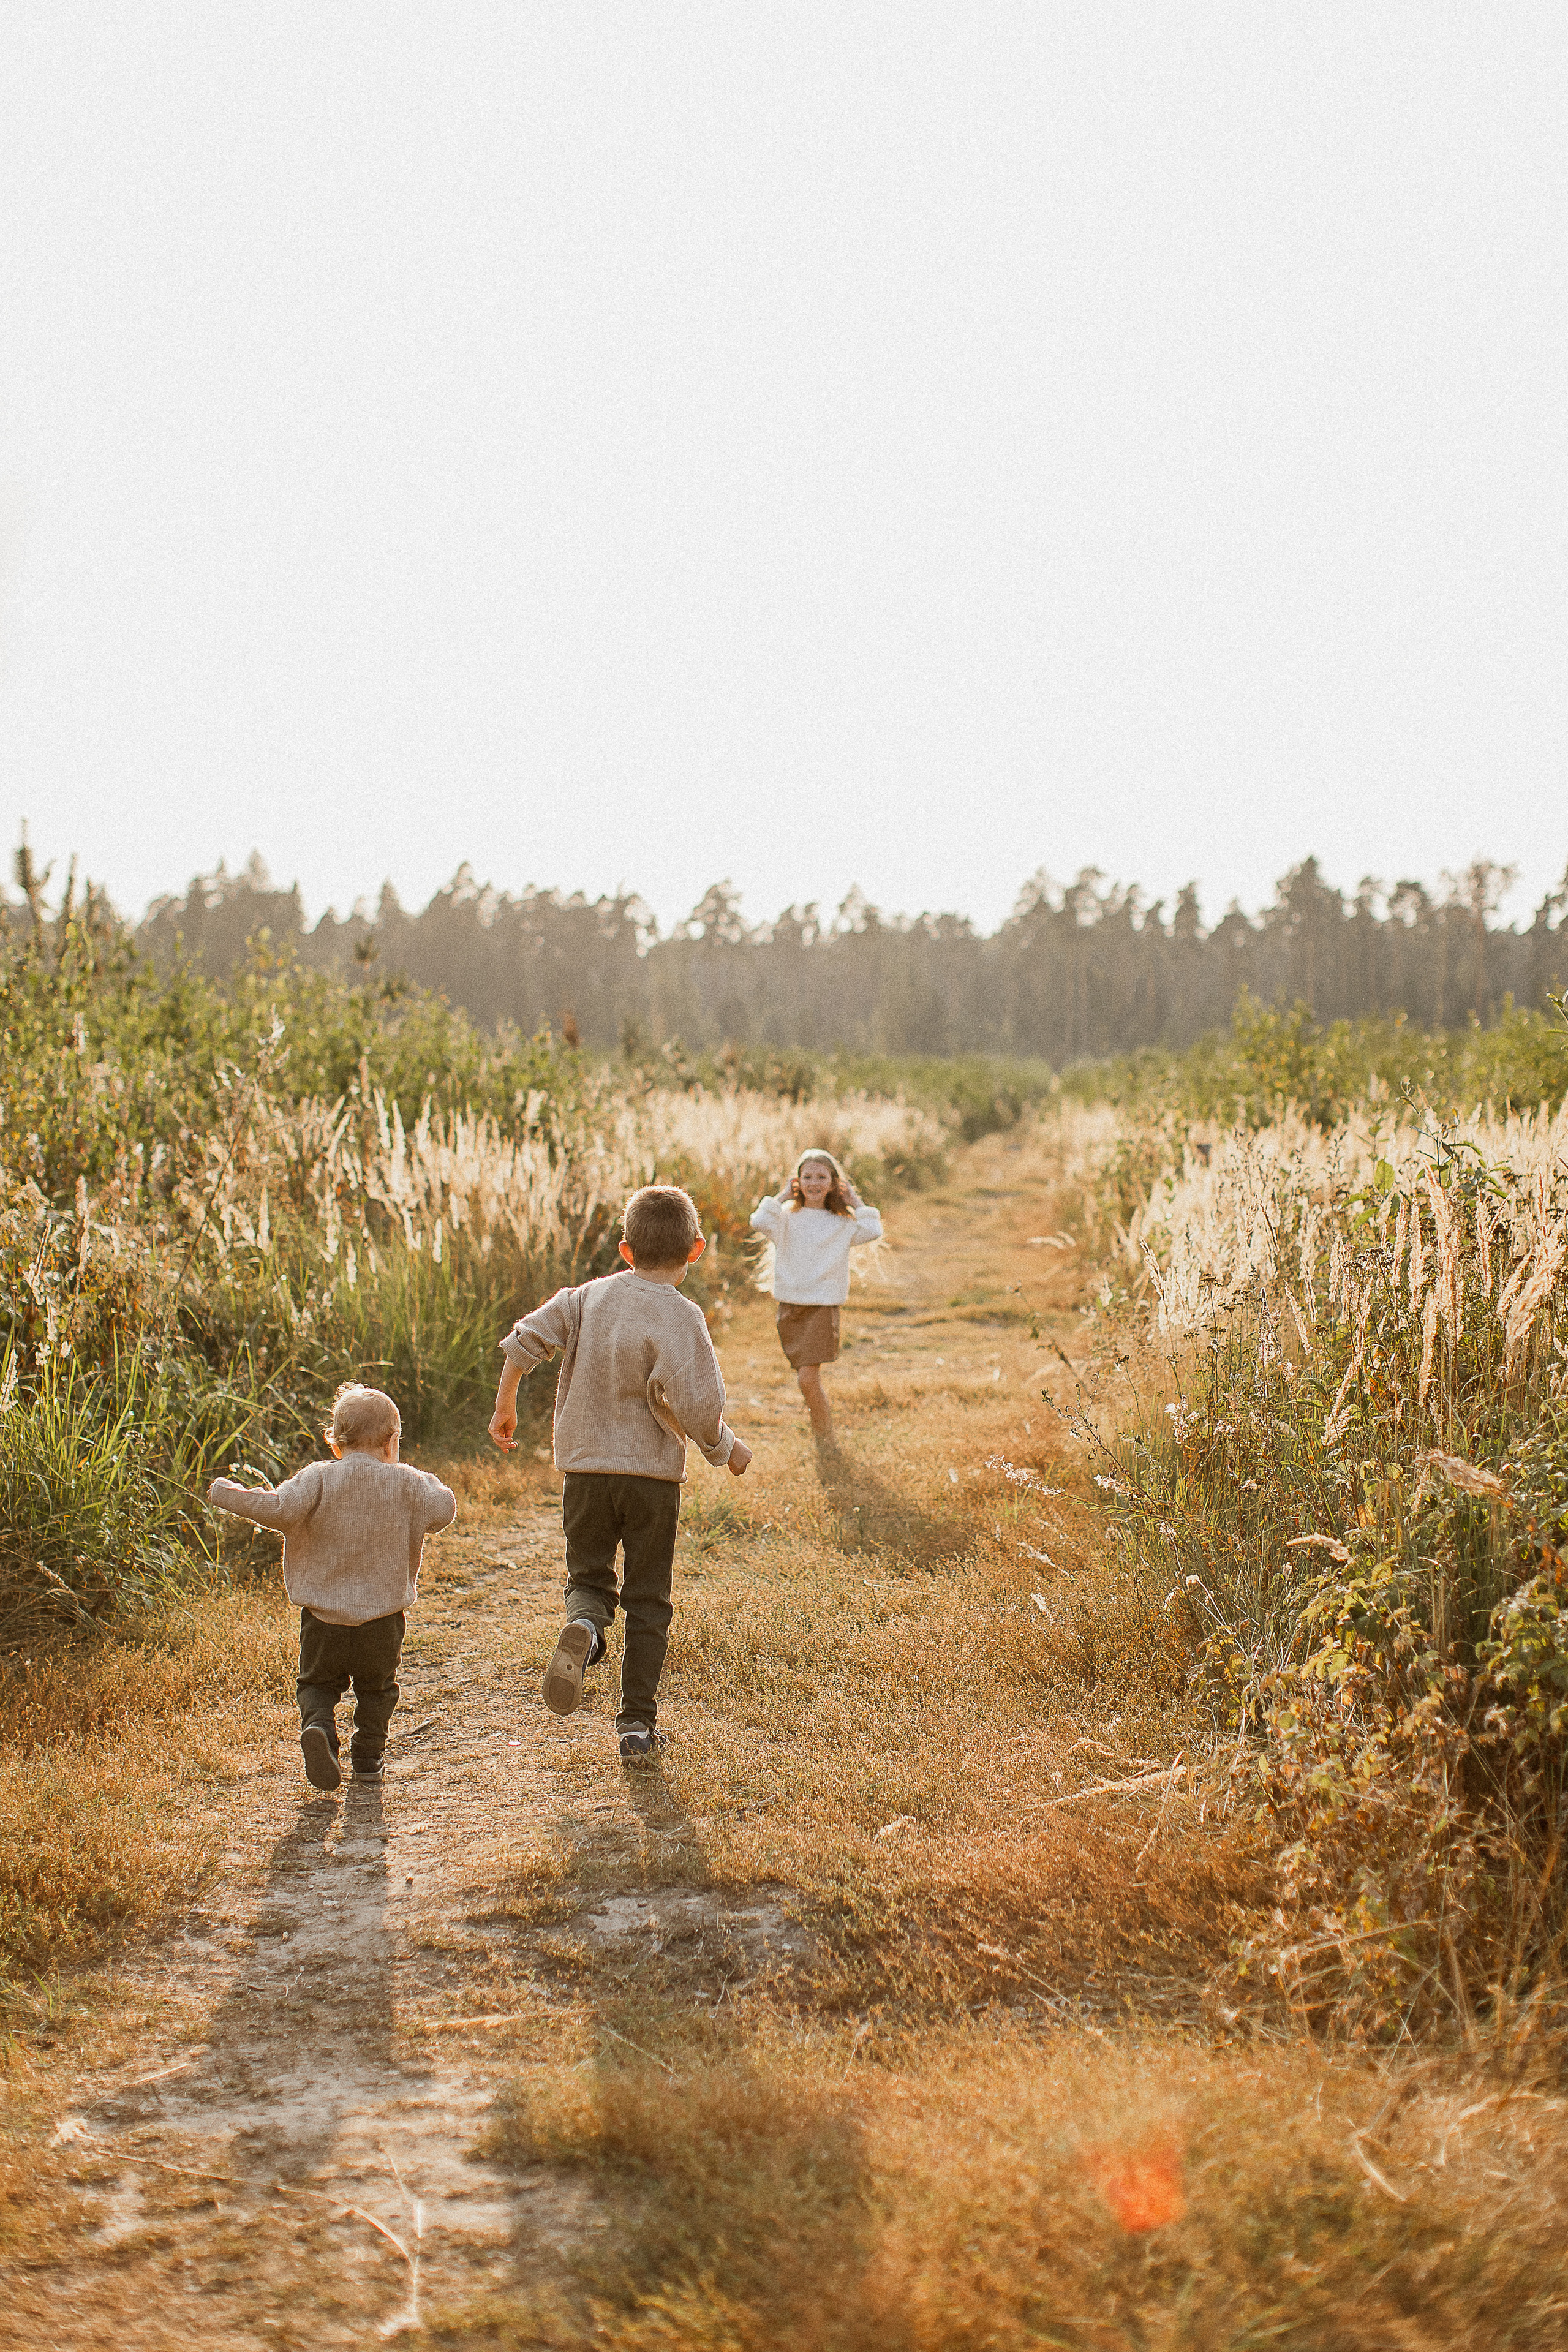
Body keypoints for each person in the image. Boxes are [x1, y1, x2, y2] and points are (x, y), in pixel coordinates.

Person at [488, 1183, 752, 1763]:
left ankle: (585, 1625)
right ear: (697, 1250)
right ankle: (635, 1725)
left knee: (588, 1578)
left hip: (585, 1473)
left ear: (626, 1250)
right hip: (650, 1480)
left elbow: (525, 1339)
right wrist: (723, 1448)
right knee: (649, 1600)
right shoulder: (682, 1317)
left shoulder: (586, 1298)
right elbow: (699, 1405)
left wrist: (505, 1403)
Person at [206, 1384, 456, 1792]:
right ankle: (369, 1759)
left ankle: (320, 1728)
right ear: (393, 1440)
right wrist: (422, 1476)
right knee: (378, 1691)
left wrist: (228, 1494)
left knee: (317, 1685)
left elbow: (275, 1508)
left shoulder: (317, 1478)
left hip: (323, 1620)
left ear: (335, 1440)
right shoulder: (408, 1482)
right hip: (382, 1621)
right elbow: (443, 1509)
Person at [750, 1150, 883, 1438]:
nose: (814, 1183)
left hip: (822, 1307)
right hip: (790, 1307)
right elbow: (758, 1222)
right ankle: (821, 1430)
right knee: (804, 1377)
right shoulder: (786, 1219)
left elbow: (873, 1230)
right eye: (807, 1177)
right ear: (797, 1182)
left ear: (834, 1184)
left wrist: (855, 1202)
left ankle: (825, 1435)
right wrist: (782, 1196)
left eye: (822, 1177)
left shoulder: (842, 1224)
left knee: (807, 1378)